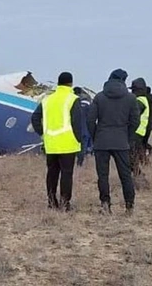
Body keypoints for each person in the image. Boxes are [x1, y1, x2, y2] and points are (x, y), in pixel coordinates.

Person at [87, 69, 139, 215]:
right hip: (121, 141)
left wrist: (95, 136)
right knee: (125, 175)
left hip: (101, 141)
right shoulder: (130, 98)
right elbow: (135, 121)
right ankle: (129, 206)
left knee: (103, 175)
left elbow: (91, 120)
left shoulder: (99, 97)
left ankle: (105, 205)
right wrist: (127, 136)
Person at [31, 72, 82, 211]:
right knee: (66, 174)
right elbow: (77, 123)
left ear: (58, 83)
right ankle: (65, 204)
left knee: (52, 173)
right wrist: (79, 140)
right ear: (70, 83)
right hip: (68, 144)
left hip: (51, 143)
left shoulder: (47, 100)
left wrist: (42, 133)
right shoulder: (73, 99)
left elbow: (35, 118)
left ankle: (51, 202)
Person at [128, 78, 150, 189]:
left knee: (131, 159)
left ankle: (141, 181)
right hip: (139, 133)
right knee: (132, 159)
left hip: (135, 133)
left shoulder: (140, 101)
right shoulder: (143, 99)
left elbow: (131, 115)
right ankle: (138, 180)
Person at [73, 87, 93, 166]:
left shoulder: (72, 103)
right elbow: (91, 118)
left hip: (73, 130)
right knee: (82, 149)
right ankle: (79, 164)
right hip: (85, 130)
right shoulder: (87, 104)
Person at [143, 86, 152, 158]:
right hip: (150, 122)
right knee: (145, 140)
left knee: (141, 141)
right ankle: (148, 150)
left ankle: (147, 152)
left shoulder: (144, 100)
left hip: (143, 123)